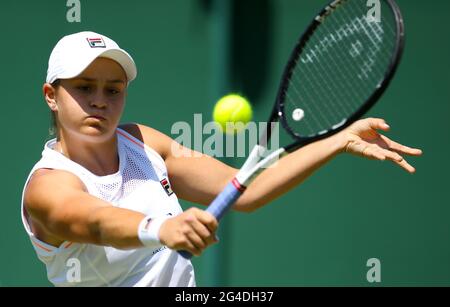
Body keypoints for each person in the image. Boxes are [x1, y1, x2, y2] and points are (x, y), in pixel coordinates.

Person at [21, 31, 422, 287]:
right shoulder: (48, 186)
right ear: (51, 96)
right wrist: (162, 228)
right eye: (84, 87)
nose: (100, 100)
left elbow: (248, 188)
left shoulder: (142, 142)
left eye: (114, 90)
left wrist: (336, 141)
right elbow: (94, 221)